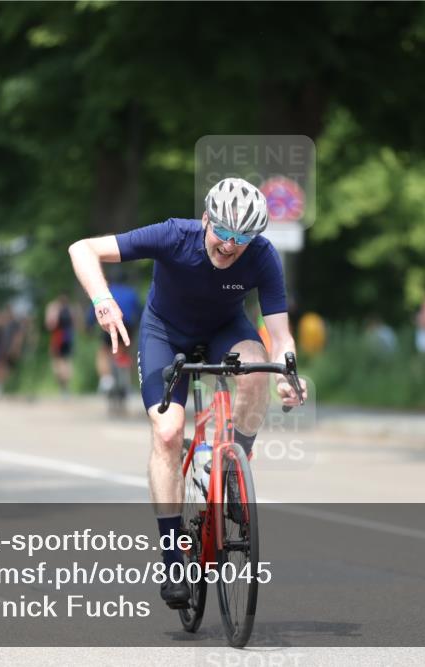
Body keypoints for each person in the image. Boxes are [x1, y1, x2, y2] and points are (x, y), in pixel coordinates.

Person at [68, 177, 307, 609]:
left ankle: (235, 471)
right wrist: (102, 300)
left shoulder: (263, 258)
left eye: (243, 238)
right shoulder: (174, 236)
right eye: (224, 232)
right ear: (205, 220)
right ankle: (172, 557)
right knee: (168, 432)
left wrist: (288, 374)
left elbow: (281, 337)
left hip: (224, 332)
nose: (231, 245)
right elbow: (82, 248)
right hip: (166, 333)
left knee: (257, 366)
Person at [88, 280, 142, 393]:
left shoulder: (106, 293)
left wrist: (90, 326)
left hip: (111, 325)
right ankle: (127, 381)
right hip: (127, 326)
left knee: (103, 352)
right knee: (126, 351)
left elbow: (95, 310)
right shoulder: (131, 292)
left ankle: (106, 380)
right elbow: (139, 311)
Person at [45, 295, 75, 393]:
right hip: (68, 337)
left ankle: (63, 386)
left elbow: (50, 325)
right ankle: (66, 387)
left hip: (58, 337)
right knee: (66, 362)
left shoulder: (54, 308)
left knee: (57, 363)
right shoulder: (71, 309)